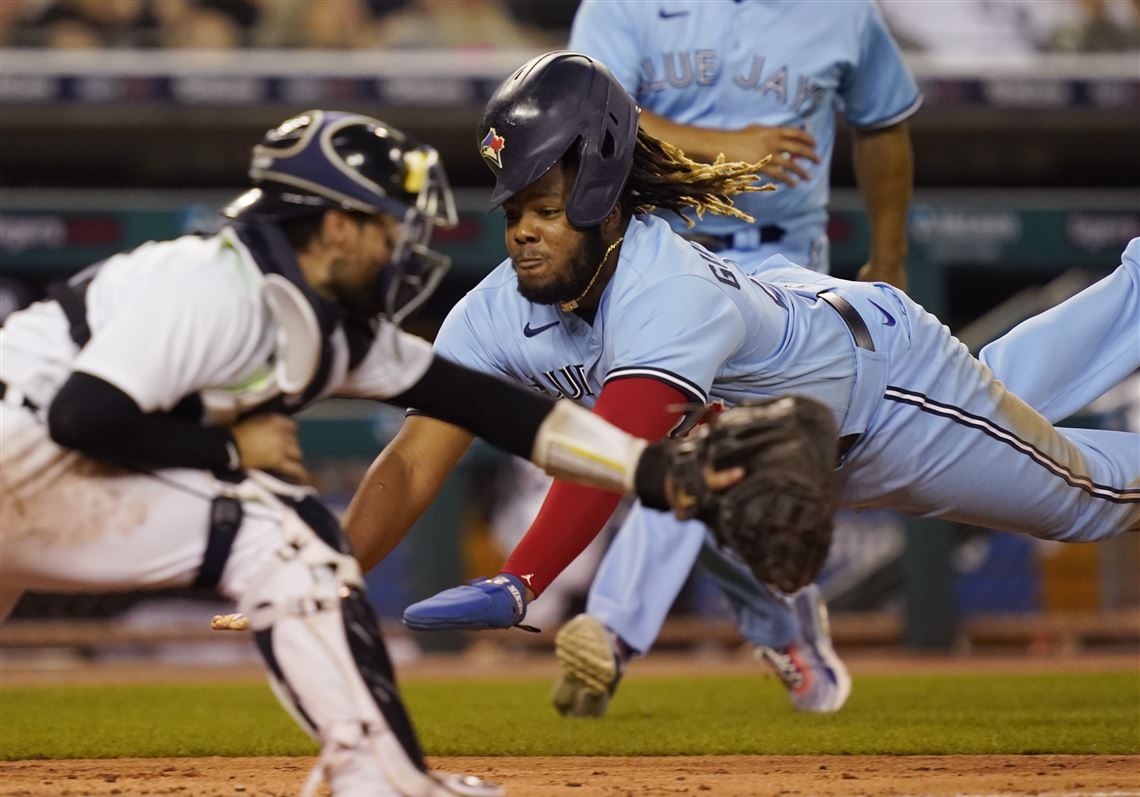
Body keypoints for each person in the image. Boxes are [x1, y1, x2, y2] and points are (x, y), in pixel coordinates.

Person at [345, 52, 1139, 721]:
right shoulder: (496, 308)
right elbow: (417, 459)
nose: (522, 230)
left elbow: (620, 448)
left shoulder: (665, 289)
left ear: (601, 198)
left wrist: (520, 581)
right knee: (1006, 398)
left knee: (1087, 497)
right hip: (797, 409)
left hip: (889, 399)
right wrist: (326, 572)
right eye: (514, 206)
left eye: (545, 207)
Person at [0, 109, 760, 797]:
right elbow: (81, 414)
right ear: (334, 227)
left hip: (39, 471)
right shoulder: (211, 282)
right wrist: (228, 446)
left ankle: (378, 776)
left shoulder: (321, 320)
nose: (401, 243)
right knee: (288, 534)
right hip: (25, 446)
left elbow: (496, 410)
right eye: (388, 223)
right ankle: (382, 781)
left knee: (291, 536)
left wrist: (645, 467)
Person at [537, 0, 921, 715]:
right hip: (658, 254)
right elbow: (587, 112)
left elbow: (885, 123)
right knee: (714, 452)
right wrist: (719, 146)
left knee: (711, 441)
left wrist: (890, 255)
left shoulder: (842, 11)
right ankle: (780, 619)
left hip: (785, 267)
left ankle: (614, 633)